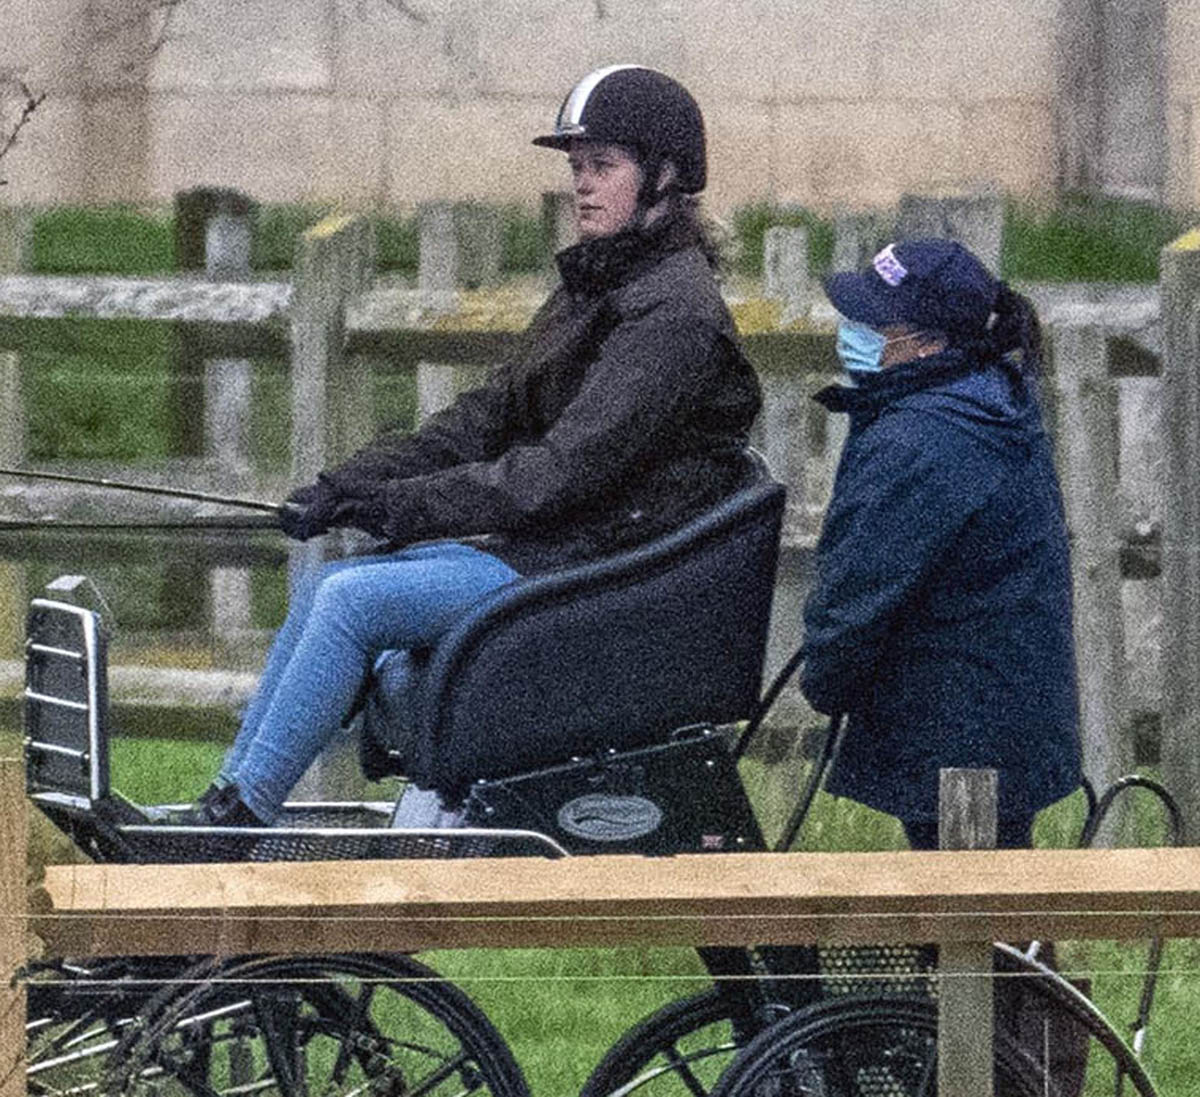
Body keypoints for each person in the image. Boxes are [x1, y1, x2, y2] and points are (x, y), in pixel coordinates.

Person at [181, 64, 763, 827]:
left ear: (664, 178)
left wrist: (399, 507)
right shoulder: (601, 285)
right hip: (556, 549)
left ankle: (241, 816)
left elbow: (558, 473)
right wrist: (346, 486)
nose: (582, 186)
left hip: (597, 569)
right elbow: (486, 419)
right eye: (576, 168)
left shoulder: (673, 317)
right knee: (327, 584)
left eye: (603, 166)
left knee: (352, 602)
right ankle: (227, 798)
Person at [799, 238, 1083, 850]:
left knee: (970, 899)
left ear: (929, 342)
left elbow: (861, 585)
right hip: (993, 721)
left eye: (874, 324)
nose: (853, 333)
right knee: (986, 888)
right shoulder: (988, 401)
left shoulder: (922, 438)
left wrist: (827, 680)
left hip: (959, 739)